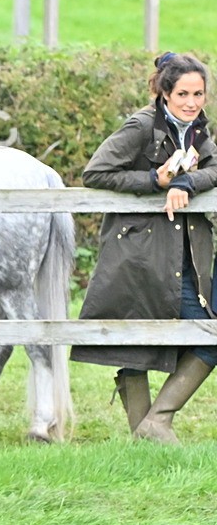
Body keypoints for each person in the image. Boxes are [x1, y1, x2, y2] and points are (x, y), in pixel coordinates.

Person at [72, 52, 217, 443]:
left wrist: (187, 183)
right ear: (165, 93)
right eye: (183, 94)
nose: (192, 102)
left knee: (209, 335)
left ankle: (152, 426)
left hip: (182, 253)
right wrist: (154, 181)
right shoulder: (141, 125)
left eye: (199, 94)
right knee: (135, 342)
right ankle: (151, 430)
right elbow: (96, 173)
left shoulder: (198, 129)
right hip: (137, 254)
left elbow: (214, 168)